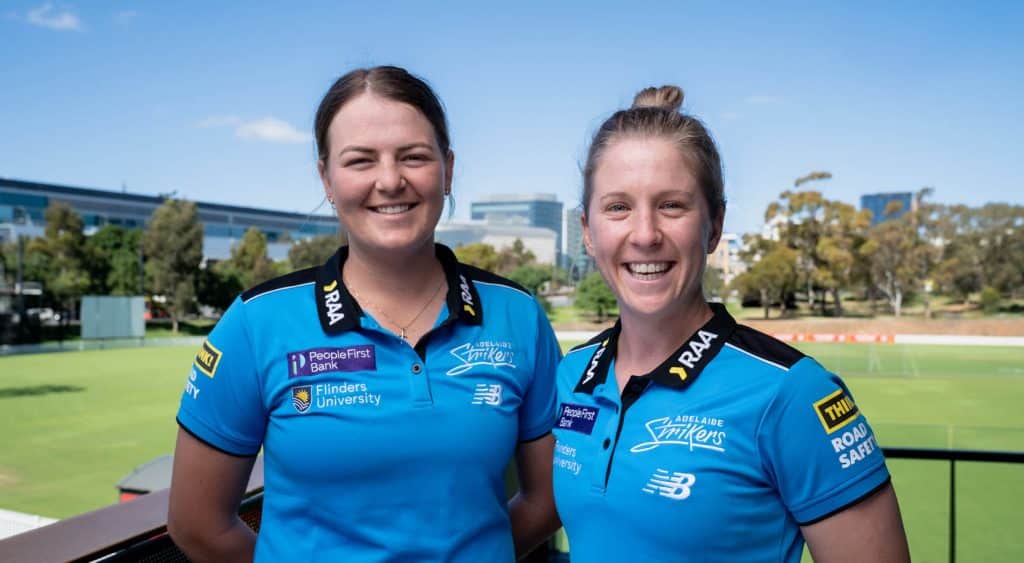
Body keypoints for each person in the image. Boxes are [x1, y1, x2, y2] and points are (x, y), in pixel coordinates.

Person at [168, 66, 561, 562]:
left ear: (449, 169)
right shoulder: (256, 322)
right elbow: (197, 524)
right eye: (360, 160)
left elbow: (547, 501)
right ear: (326, 178)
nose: (390, 181)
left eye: (414, 157)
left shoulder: (518, 316)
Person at [551, 85, 910, 562]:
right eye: (618, 207)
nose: (644, 235)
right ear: (589, 233)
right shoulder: (572, 374)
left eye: (672, 205)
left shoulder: (794, 392)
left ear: (715, 225)